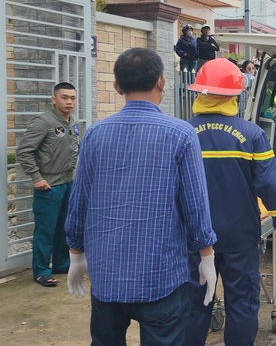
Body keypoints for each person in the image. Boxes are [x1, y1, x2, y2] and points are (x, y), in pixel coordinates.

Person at [65, 48, 218, 345]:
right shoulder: (181, 134)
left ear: (117, 86)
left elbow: (79, 198)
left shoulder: (95, 134)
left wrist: (76, 252)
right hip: (161, 276)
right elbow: (195, 205)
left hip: (106, 275)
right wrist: (207, 255)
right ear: (162, 82)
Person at [184, 59, 276, 346]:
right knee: (241, 304)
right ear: (237, 95)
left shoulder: (182, 132)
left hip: (193, 237)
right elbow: (271, 189)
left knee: (194, 305)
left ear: (199, 92)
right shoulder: (252, 135)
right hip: (239, 235)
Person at [16, 82, 80, 287]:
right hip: (49, 186)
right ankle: (42, 271)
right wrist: (36, 177)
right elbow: (24, 152)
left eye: (72, 98)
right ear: (54, 99)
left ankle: (61, 264)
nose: (69, 101)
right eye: (64, 97)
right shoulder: (43, 122)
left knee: (64, 228)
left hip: (68, 182)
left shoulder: (73, 121)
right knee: (45, 229)